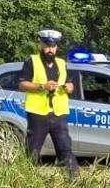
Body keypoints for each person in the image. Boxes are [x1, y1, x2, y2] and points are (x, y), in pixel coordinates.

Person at [17, 29, 80, 178]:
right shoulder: (32, 61)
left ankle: (74, 181)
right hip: (38, 114)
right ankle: (25, 180)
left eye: (53, 46)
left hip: (58, 114)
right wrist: (42, 86)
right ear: (40, 45)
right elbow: (22, 85)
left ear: (57, 47)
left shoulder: (62, 63)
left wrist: (69, 88)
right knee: (32, 150)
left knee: (65, 148)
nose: (50, 49)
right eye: (47, 45)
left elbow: (70, 84)